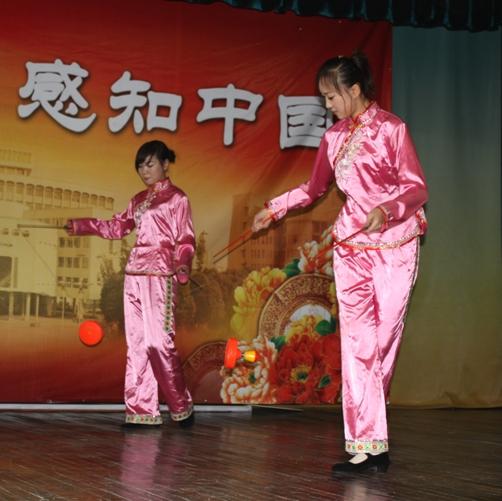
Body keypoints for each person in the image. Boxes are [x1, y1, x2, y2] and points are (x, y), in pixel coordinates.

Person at [253, 52, 428, 474]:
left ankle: (374, 437)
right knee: (358, 345)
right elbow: (313, 189)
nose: (327, 105)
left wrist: (387, 210)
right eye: (324, 98)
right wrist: (274, 208)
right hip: (351, 246)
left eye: (331, 97)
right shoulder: (333, 139)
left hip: (396, 244)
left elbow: (416, 188)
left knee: (382, 343)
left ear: (354, 90)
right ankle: (365, 447)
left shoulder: (392, 129)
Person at [67, 140, 195, 428]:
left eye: (150, 164)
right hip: (134, 275)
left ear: (165, 164)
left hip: (161, 276)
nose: (144, 171)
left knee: (158, 343)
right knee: (137, 345)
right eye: (140, 166)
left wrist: (183, 263)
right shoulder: (138, 199)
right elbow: (117, 227)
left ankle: (181, 404)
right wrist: (81, 225)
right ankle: (141, 410)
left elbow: (185, 239)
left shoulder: (178, 198)